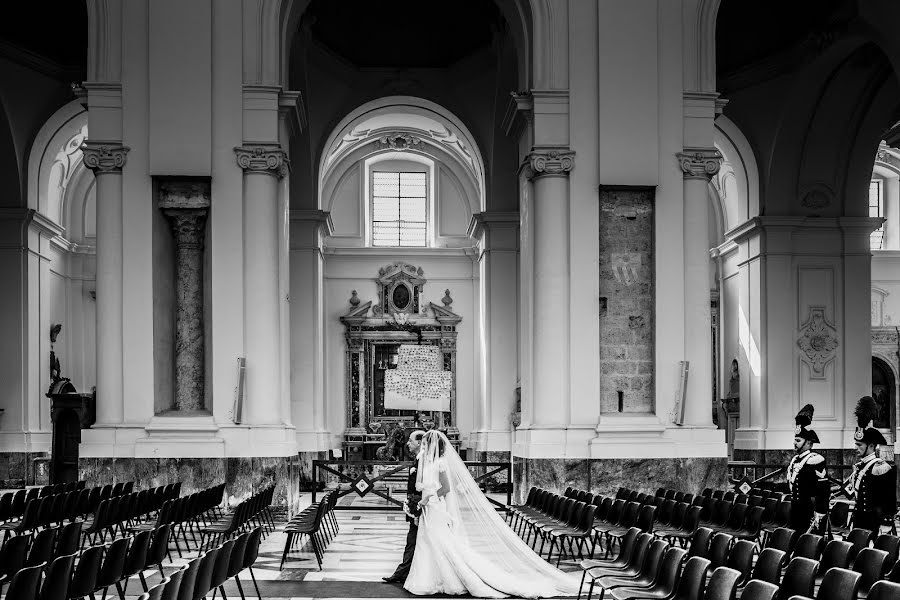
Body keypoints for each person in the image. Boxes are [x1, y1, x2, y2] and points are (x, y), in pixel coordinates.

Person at [403, 430, 580, 598]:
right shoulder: (426, 461)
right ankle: (431, 577)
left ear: (432, 445)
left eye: (425, 443)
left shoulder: (440, 463)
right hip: (429, 508)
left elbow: (446, 488)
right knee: (428, 542)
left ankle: (449, 578)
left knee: (441, 542)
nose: (424, 447)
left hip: (435, 508)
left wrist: (428, 500)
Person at [847, 396, 896, 533]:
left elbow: (889, 499)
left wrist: (886, 523)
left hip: (876, 523)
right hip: (859, 521)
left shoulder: (881, 467)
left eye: (859, 445)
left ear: (871, 446)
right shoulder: (860, 467)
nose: (856, 448)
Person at [383, 430, 425, 584]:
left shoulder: (424, 461)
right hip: (417, 506)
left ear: (420, 443)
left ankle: (404, 573)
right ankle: (404, 572)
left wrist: (418, 508)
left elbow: (427, 487)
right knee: (412, 540)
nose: (407, 443)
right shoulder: (419, 459)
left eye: (411, 441)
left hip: (422, 508)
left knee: (413, 540)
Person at [786, 404, 830, 534]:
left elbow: (823, 490)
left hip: (809, 510)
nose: (794, 443)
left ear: (809, 443)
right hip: (795, 509)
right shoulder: (795, 460)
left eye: (798, 440)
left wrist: (820, 512)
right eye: (795, 440)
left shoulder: (816, 460)